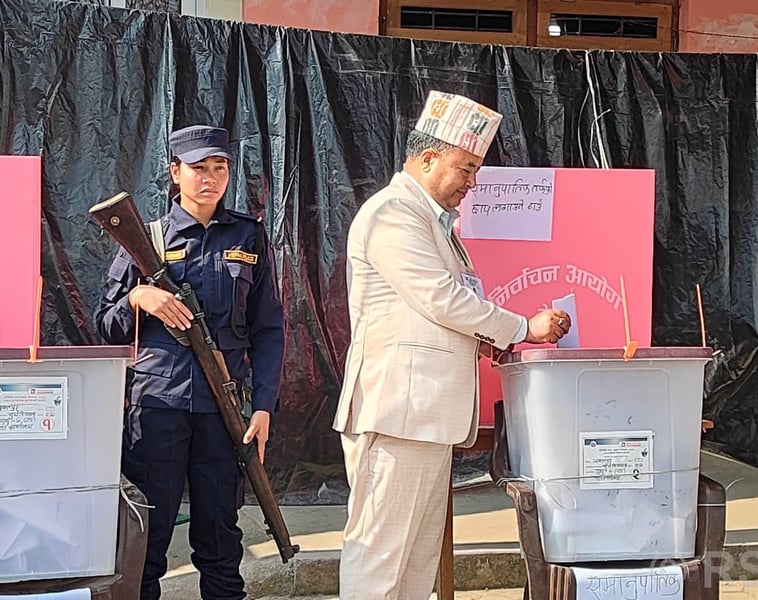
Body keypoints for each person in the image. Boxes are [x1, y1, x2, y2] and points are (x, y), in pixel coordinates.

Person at [332, 91, 572, 600]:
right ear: (426, 158)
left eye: (475, 170)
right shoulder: (393, 213)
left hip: (424, 415)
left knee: (416, 560)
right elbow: (440, 298)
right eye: (465, 168)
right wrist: (521, 327)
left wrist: (495, 340)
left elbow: (445, 309)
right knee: (381, 555)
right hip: (398, 411)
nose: (472, 182)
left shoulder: (434, 223)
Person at [95, 125, 285, 600]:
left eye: (220, 167)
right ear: (175, 172)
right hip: (157, 407)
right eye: (199, 167)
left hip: (225, 412)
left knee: (221, 537)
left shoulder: (249, 235)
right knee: (147, 540)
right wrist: (140, 297)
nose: (211, 177)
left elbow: (268, 330)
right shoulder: (147, 239)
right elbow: (105, 325)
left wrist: (262, 406)